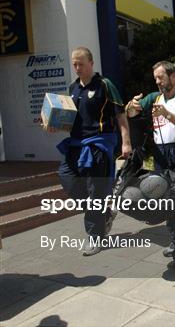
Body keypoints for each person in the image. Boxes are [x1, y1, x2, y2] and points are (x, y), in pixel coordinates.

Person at [48, 47, 132, 256]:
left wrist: (126, 142)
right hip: (76, 145)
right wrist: (53, 125)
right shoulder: (73, 88)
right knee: (66, 177)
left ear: (91, 63)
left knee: (96, 191)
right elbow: (69, 121)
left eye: (81, 64)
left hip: (99, 144)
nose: (77, 68)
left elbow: (120, 115)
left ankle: (95, 236)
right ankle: (102, 215)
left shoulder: (105, 85)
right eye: (74, 64)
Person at [126, 61, 175, 270]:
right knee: (165, 200)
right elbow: (131, 112)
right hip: (161, 154)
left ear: (173, 76)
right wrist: (132, 107)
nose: (157, 81)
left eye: (161, 77)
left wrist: (166, 113)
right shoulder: (153, 97)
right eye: (156, 78)